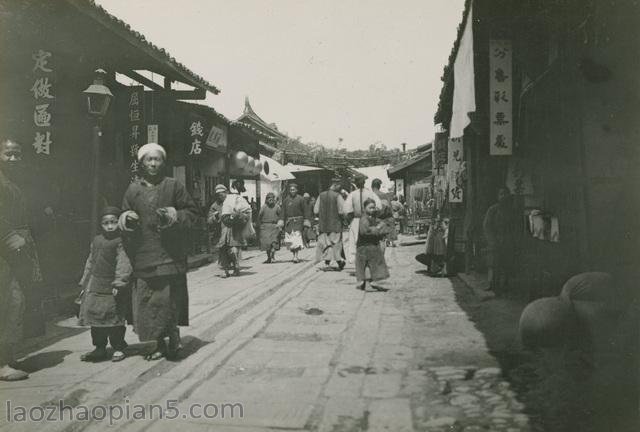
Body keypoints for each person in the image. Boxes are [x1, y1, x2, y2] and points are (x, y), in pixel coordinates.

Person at [118, 143, 199, 361]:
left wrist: (176, 214)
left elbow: (192, 213)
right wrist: (126, 219)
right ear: (142, 163)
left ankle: (172, 335)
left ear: (163, 162)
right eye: (148, 160)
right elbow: (124, 212)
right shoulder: (133, 189)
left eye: (157, 159)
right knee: (147, 303)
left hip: (169, 256)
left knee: (168, 301)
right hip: (144, 256)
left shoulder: (174, 186)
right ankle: (155, 344)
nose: (153, 164)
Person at [0, 139, 43, 381]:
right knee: (7, 301)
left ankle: (8, 355)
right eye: (8, 154)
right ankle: (2, 362)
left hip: (19, 249)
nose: (14, 159)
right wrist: (8, 237)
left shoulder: (14, 182)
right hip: (4, 251)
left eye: (17, 154)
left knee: (17, 301)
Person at [77, 206, 132, 362]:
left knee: (113, 317)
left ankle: (118, 346)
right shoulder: (97, 240)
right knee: (96, 318)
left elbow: (124, 262)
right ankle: (99, 347)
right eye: (105, 222)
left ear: (118, 223)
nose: (109, 226)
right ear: (101, 224)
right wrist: (85, 281)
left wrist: (119, 282)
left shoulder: (120, 241)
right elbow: (90, 261)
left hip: (112, 285)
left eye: (113, 222)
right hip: (95, 284)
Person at [483, 187, 519, 295]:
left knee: (507, 265)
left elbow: (516, 227)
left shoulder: (512, 211)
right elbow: (487, 226)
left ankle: (506, 286)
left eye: (505, 194)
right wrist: (492, 240)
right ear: (498, 197)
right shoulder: (493, 210)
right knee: (494, 265)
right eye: (501, 194)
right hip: (496, 240)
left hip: (508, 241)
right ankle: (494, 286)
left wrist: (515, 241)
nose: (503, 196)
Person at [218, 179, 254, 277]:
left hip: (234, 231)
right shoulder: (216, 205)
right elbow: (210, 219)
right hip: (223, 231)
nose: (220, 196)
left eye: (221, 194)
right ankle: (225, 271)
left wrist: (236, 215)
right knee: (223, 251)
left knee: (233, 250)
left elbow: (245, 215)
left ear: (226, 192)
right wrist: (214, 217)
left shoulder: (235, 201)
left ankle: (236, 267)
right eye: (218, 195)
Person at [344, 177, 381, 264]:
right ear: (364, 183)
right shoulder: (370, 193)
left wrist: (349, 219)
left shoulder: (352, 194)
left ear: (356, 184)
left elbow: (346, 210)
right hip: (369, 219)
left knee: (355, 242)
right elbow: (379, 206)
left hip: (356, 220)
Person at [356, 198, 390, 291]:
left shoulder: (372, 218)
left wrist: (380, 225)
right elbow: (364, 232)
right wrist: (377, 229)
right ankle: (367, 284)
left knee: (370, 264)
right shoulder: (364, 219)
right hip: (365, 246)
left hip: (370, 244)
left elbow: (379, 223)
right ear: (364, 208)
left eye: (374, 207)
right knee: (368, 264)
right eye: (370, 208)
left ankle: (366, 283)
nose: (373, 209)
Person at [314, 178, 346, 271]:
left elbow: (315, 210)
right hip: (335, 224)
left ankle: (328, 261)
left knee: (326, 243)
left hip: (323, 225)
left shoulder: (321, 195)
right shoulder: (337, 196)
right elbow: (342, 211)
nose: (340, 187)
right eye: (339, 185)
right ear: (335, 184)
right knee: (336, 243)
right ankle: (339, 261)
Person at [280, 183, 311, 263]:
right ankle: (293, 254)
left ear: (296, 190)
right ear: (289, 191)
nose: (292, 191)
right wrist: (281, 221)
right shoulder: (286, 200)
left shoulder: (301, 199)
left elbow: (306, 211)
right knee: (290, 240)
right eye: (291, 190)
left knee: (296, 239)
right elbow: (282, 212)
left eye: (294, 189)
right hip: (289, 223)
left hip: (298, 222)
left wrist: (306, 220)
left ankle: (296, 256)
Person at [371, 178, 396, 249]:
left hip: (372, 221)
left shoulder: (369, 195)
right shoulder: (384, 195)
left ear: (372, 186)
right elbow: (390, 210)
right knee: (382, 241)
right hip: (383, 221)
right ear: (379, 186)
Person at [258, 192, 282, 264]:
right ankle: (269, 257)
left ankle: (273, 256)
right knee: (267, 244)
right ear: (266, 199)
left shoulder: (277, 207)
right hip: (265, 227)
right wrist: (260, 226)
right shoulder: (263, 207)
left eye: (272, 198)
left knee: (274, 243)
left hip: (274, 226)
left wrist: (280, 225)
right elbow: (259, 217)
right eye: (269, 198)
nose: (270, 200)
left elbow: (281, 215)